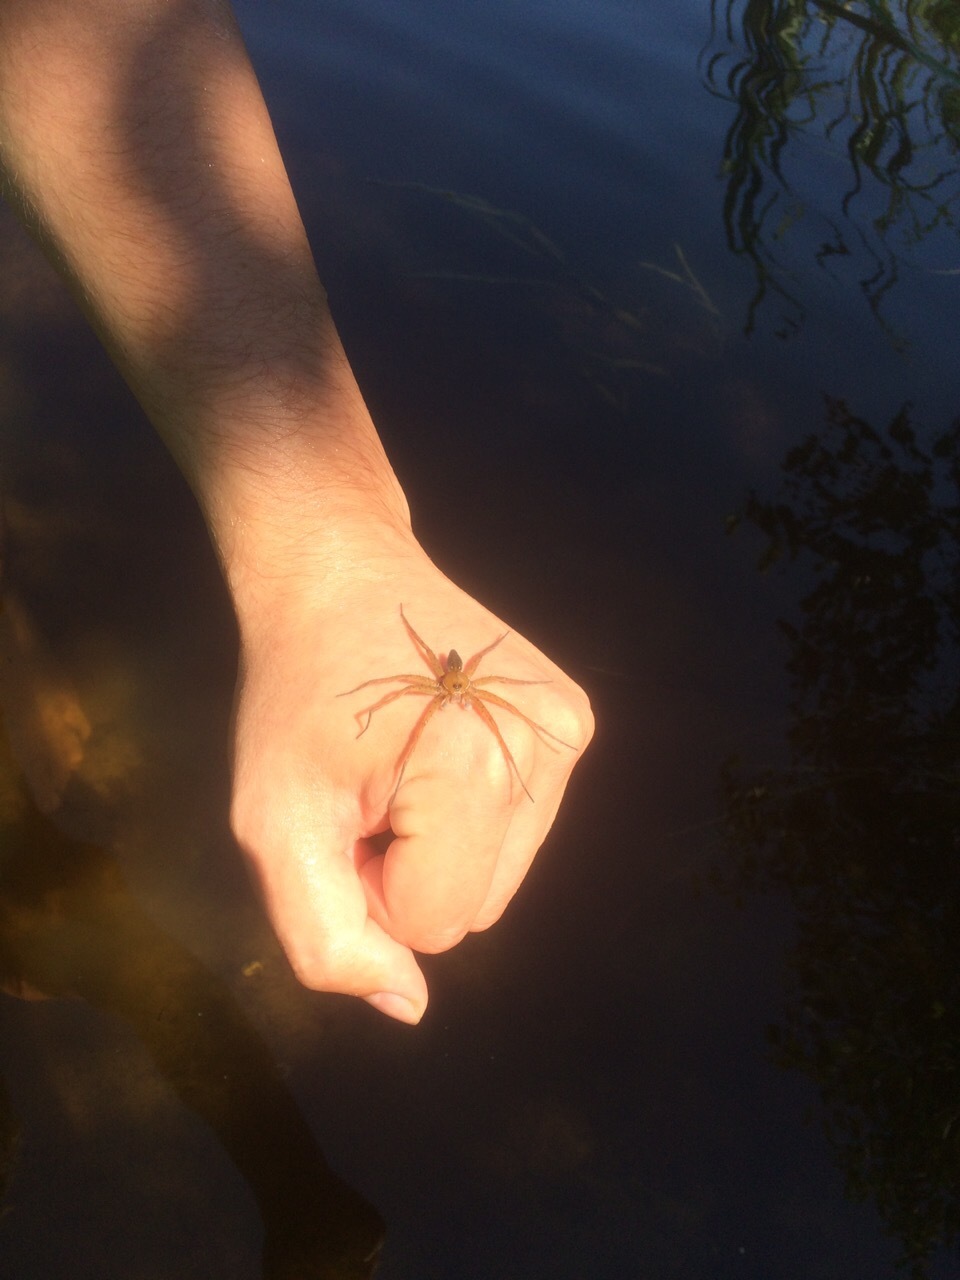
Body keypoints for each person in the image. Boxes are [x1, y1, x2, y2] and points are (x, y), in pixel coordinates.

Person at [0, 0, 592, 1023]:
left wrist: (336, 551)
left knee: (455, 703)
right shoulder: (451, 679)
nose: (454, 678)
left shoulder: (456, 683)